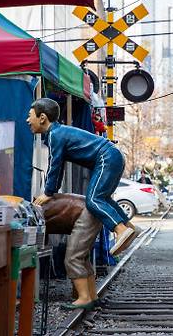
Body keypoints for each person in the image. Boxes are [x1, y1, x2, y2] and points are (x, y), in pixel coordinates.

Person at [27, 98, 139, 256]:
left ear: (42, 118)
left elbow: (54, 165)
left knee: (93, 200)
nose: (27, 120)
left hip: (106, 157)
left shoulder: (54, 135)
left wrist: (47, 193)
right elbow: (59, 169)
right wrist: (51, 191)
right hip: (113, 155)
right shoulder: (59, 132)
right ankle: (130, 227)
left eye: (30, 115)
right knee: (103, 198)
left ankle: (120, 229)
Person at [35, 193, 102, 310]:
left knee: (73, 259)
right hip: (90, 211)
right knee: (83, 258)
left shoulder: (36, 211)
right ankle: (92, 296)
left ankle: (84, 298)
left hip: (84, 213)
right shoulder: (42, 205)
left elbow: (41, 235)